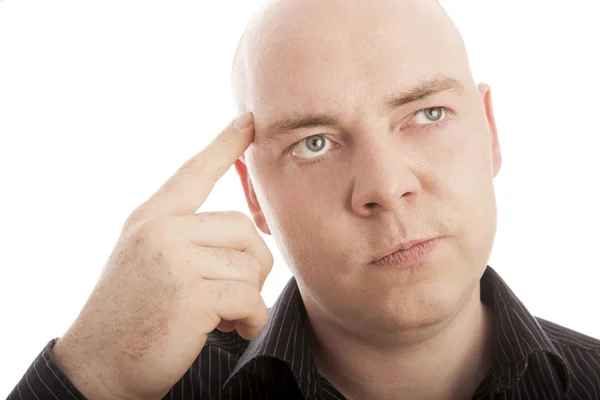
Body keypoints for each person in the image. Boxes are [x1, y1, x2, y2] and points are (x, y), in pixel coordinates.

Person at [8, 0, 600, 399]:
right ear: (254, 195)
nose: (386, 187)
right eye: (315, 143)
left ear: (491, 133)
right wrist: (87, 375)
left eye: (427, 113)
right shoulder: (138, 390)